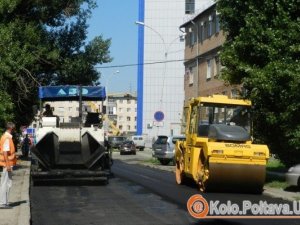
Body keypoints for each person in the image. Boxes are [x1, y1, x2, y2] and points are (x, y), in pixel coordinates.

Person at [0, 122, 17, 209]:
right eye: (13, 129)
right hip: (8, 164)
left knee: (6, 183)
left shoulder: (5, 137)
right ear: (10, 128)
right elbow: (5, 152)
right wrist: (8, 165)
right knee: (6, 183)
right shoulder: (7, 138)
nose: (14, 130)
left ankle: (4, 202)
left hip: (7, 164)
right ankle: (3, 203)